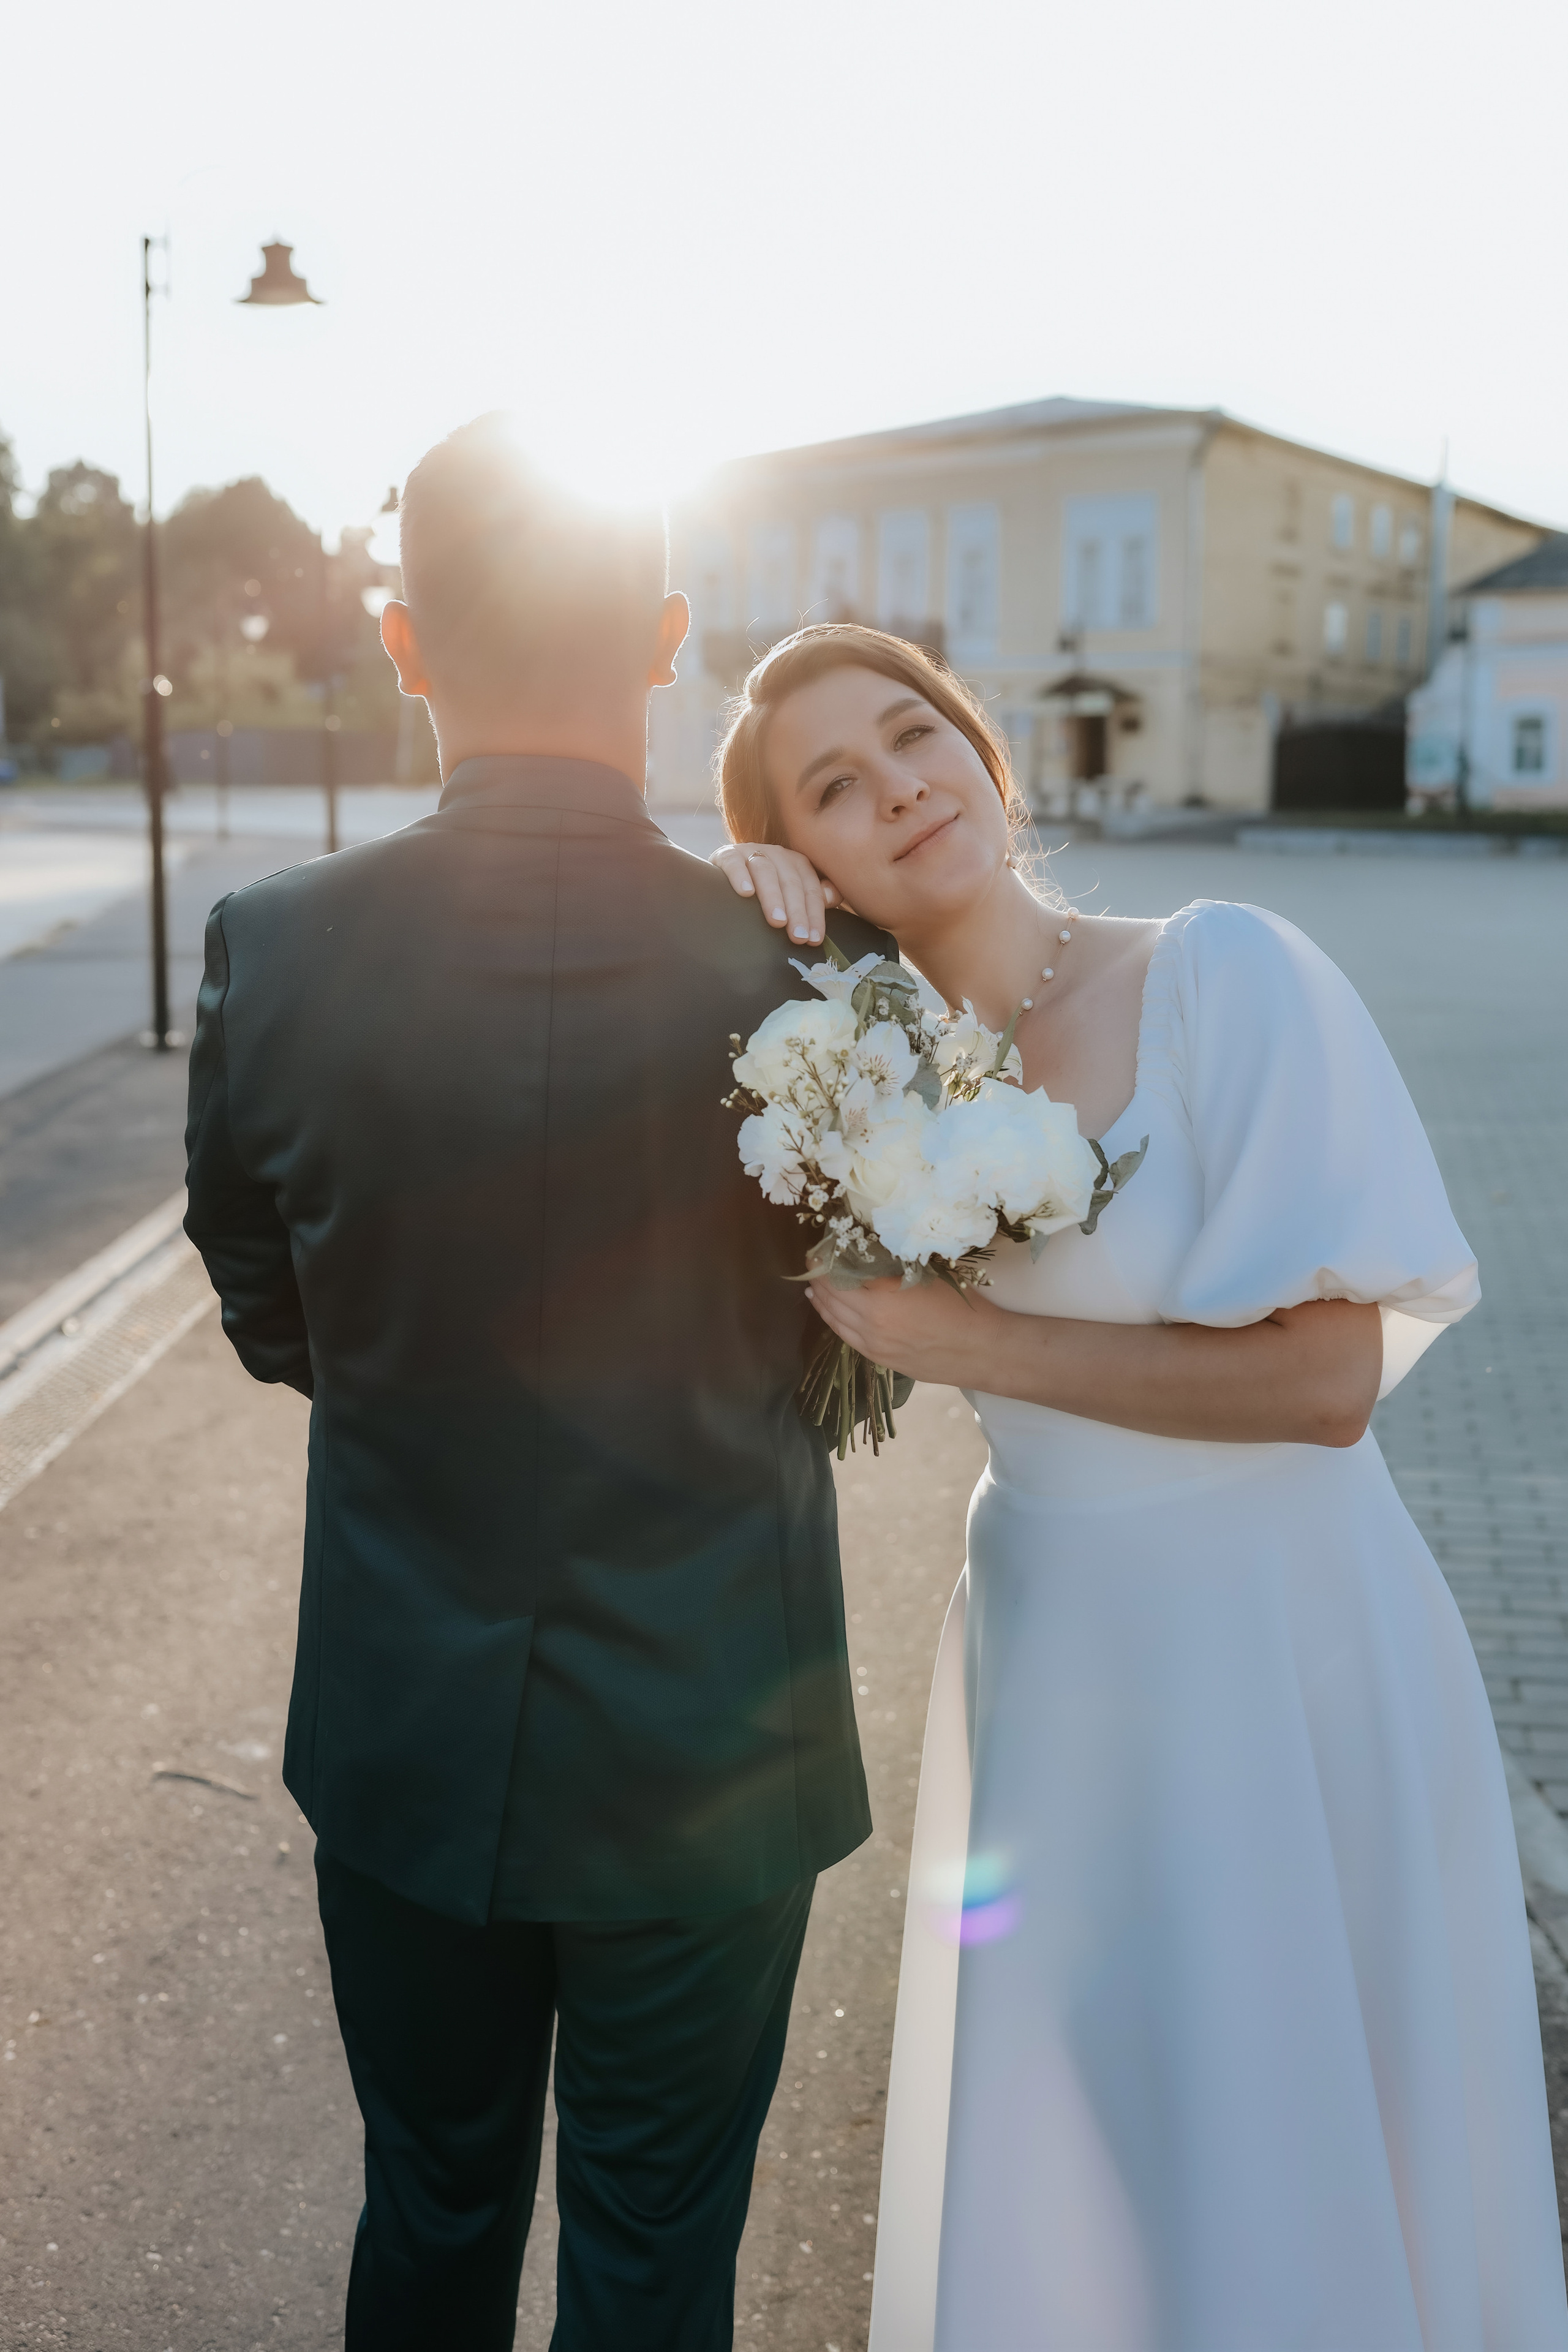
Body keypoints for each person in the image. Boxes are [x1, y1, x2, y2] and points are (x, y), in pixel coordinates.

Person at [712, 621, 1568, 2351]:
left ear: (985, 747)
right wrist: (707, 907)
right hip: (1057, 1644)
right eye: (833, 791)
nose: (899, 790)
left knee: (1307, 2122)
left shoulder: (1224, 973)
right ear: (810, 857)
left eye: (913, 735)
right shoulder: (845, 1074)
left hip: (1284, 1635)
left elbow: (1330, 1384)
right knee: (1106, 2141)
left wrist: (969, 1343)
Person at [182, 424, 892, 2351]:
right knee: (656, 2262)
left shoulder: (276, 950)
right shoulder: (805, 970)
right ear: (667, 639)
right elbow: (880, 1306)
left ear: (405, 646)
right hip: (718, 1749)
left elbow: (266, 1310)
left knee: (429, 2213)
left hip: (411, 1738)